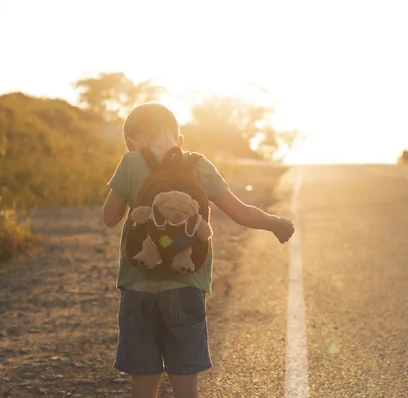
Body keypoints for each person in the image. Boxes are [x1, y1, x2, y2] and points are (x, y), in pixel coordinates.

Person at [102, 102, 295, 398]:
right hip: (185, 283)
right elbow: (239, 211)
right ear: (180, 141)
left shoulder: (130, 161)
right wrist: (275, 223)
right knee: (184, 376)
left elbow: (110, 217)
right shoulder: (198, 164)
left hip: (138, 287)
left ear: (131, 142)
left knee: (144, 375)